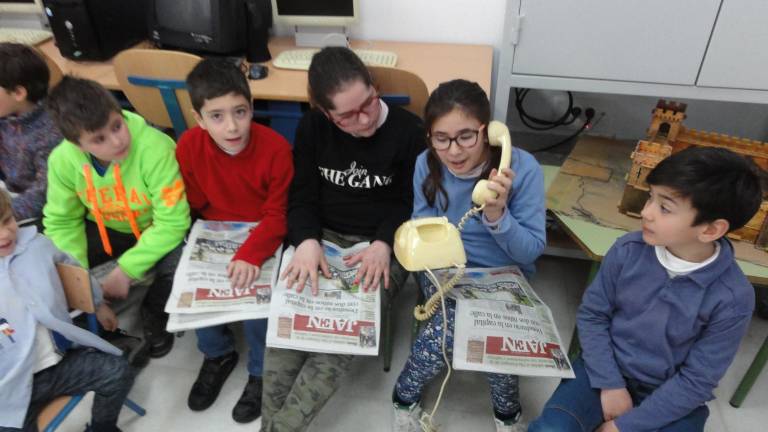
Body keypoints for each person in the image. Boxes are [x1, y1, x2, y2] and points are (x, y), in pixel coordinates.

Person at [528, 147, 762, 432]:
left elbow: (697, 380)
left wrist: (623, 426)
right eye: (651, 197)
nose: (646, 212)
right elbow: (593, 316)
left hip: (672, 395)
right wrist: (610, 384)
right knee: (552, 429)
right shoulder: (627, 251)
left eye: (664, 207)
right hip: (601, 371)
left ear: (711, 230)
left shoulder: (734, 297)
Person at [260, 46, 424, 432]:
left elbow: (411, 200)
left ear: (375, 86)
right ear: (322, 110)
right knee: (288, 324)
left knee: (337, 342)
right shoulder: (311, 128)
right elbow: (301, 195)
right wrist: (305, 240)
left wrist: (384, 243)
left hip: (383, 242)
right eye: (346, 116)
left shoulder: (408, 131)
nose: (363, 119)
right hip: (323, 237)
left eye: (368, 103)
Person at [390, 79, 546, 432]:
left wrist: (497, 216)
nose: (454, 151)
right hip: (445, 271)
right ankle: (404, 395)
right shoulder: (425, 165)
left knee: (493, 344)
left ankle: (505, 413)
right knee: (448, 331)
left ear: (489, 132)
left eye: (466, 136)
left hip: (505, 274)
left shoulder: (524, 169)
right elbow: (420, 223)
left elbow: (531, 250)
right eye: (440, 138)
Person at [176, 58, 293, 423]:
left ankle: (259, 370)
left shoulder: (275, 149)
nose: (232, 126)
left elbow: (277, 215)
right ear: (198, 118)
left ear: (251, 107)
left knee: (259, 308)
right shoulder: (188, 146)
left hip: (264, 234)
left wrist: (250, 254)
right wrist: (193, 244)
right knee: (195, 298)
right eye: (217, 116)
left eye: (240, 112)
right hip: (214, 232)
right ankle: (218, 354)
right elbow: (194, 202)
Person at [43, 76, 190, 359]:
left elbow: (172, 222)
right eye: (99, 138)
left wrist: (126, 271)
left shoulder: (155, 147)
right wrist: (84, 286)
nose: (117, 140)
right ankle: (90, 316)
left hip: (153, 227)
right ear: (77, 144)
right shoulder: (62, 160)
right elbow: (62, 223)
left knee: (180, 262)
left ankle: (154, 312)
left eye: (117, 125)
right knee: (50, 259)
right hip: (105, 228)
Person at [0, 189, 134, 432]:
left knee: (118, 372)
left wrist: (97, 303)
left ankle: (101, 428)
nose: (5, 233)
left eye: (7, 220)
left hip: (60, 362)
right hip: (10, 388)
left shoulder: (36, 245)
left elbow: (73, 271)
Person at [0, 43, 63, 223]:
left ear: (18, 93)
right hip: (11, 195)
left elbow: (44, 195)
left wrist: (5, 213)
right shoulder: (7, 115)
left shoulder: (50, 134)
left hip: (33, 211)